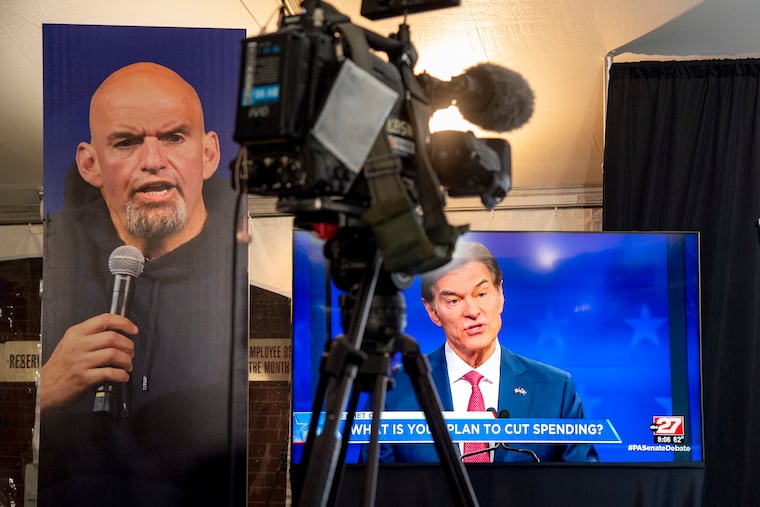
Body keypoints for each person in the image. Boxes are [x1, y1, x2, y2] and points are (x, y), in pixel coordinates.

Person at [38, 62, 248, 506]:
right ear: (91, 164)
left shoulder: (255, 267)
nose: (153, 162)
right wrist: (44, 389)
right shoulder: (45, 260)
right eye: (127, 142)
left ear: (209, 154)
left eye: (174, 137)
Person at [371, 241, 598, 463]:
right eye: (453, 300)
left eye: (481, 294)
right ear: (432, 311)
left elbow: (585, 487)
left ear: (500, 294)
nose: (472, 311)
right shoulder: (393, 390)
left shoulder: (554, 389)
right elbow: (376, 490)